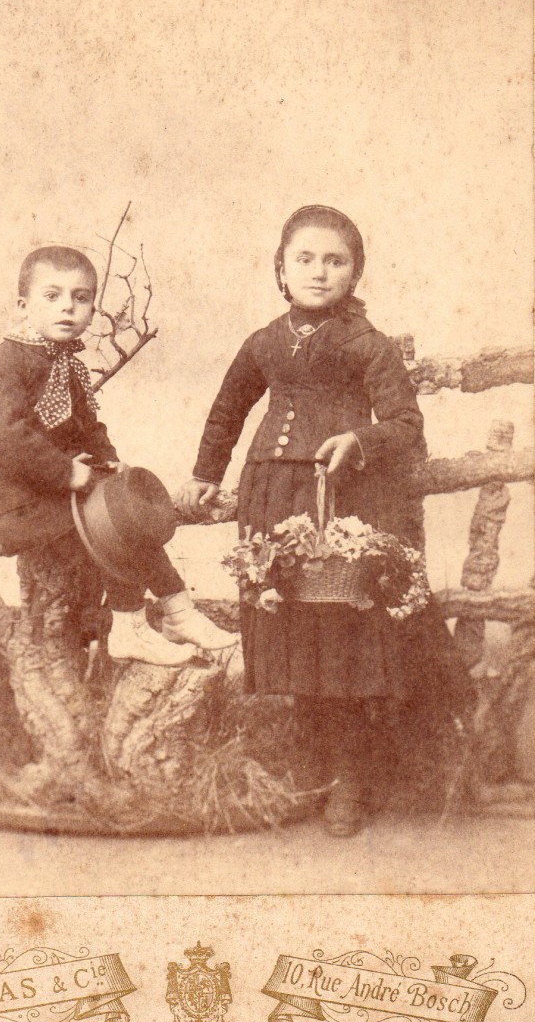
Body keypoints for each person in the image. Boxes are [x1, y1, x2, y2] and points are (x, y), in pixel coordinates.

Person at [178, 206, 470, 836]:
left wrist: (358, 440)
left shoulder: (370, 345)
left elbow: (405, 426)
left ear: (355, 271)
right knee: (291, 633)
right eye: (304, 259)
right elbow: (226, 410)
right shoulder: (263, 341)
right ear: (279, 269)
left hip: (342, 502)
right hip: (269, 498)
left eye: (335, 260)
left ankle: (351, 780)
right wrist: (206, 473)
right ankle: (310, 770)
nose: (318, 271)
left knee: (341, 638)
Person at [0, 245, 236, 666]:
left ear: (93, 310)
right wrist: (65, 473)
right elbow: (6, 437)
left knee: (124, 512)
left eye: (81, 298)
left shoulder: (62, 363)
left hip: (58, 491)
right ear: (23, 306)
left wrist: (108, 462)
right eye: (52, 296)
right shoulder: (6, 364)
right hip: (20, 502)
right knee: (113, 527)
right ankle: (139, 623)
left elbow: (89, 428)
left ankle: (177, 611)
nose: (67, 308)